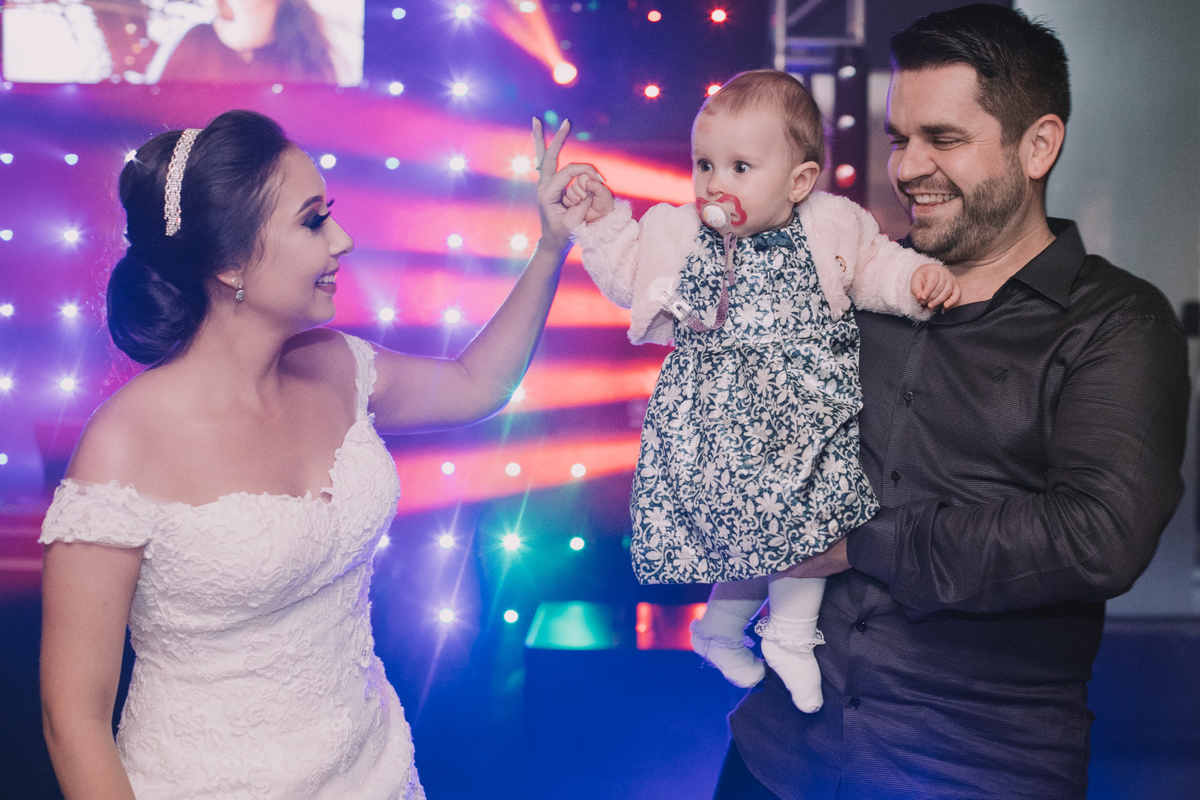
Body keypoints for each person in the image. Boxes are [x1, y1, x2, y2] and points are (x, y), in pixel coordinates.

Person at [38, 109, 597, 799]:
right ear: (230, 263)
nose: (342, 240)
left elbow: (477, 383)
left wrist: (551, 247)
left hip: (375, 773)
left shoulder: (337, 365)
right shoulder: (125, 442)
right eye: (312, 222)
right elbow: (73, 720)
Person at [716, 6, 1190, 799]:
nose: (907, 167)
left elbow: (1097, 537)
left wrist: (858, 543)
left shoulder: (1118, 323)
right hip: (778, 755)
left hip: (975, 768)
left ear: (1038, 146)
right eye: (901, 138)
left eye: (943, 138)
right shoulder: (851, 283)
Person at [564, 70, 959, 713]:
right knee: (765, 528)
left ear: (799, 182)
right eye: (704, 164)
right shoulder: (682, 233)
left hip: (803, 417)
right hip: (717, 424)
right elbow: (630, 274)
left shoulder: (833, 224)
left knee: (805, 522)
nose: (714, 183)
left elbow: (876, 265)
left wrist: (916, 280)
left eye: (740, 167)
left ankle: (733, 631)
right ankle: (782, 635)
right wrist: (603, 223)